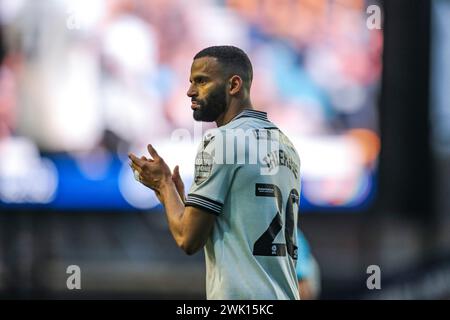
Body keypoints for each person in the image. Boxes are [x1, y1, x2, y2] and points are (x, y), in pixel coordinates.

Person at [129, 45, 301, 300]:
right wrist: (179, 199)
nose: (189, 91)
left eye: (201, 81)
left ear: (234, 85)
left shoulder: (222, 140)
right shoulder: (287, 145)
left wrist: (164, 184)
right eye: (190, 82)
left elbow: (188, 239)